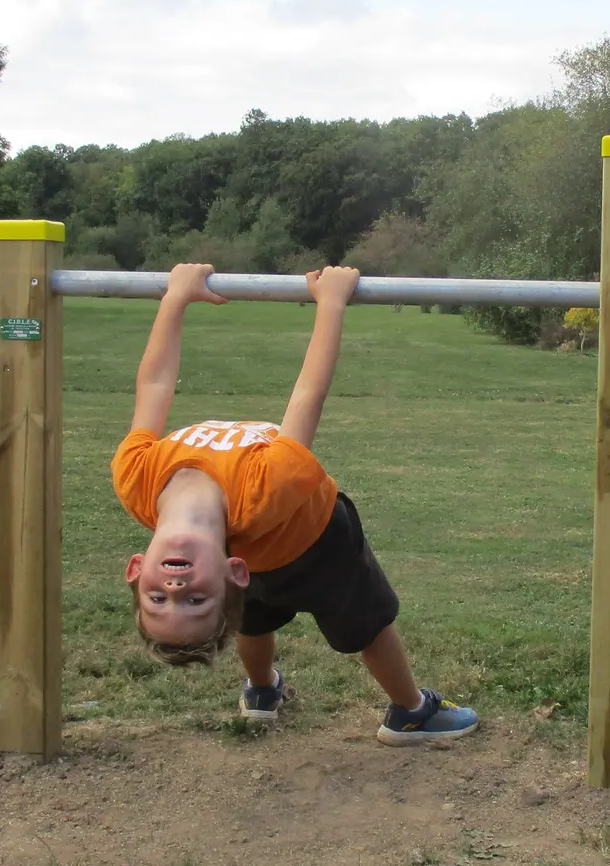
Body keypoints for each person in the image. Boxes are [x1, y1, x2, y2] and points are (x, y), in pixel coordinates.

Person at [111, 263, 479, 745]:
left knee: (255, 620)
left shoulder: (136, 477)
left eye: (159, 598)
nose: (176, 586)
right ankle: (411, 712)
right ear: (233, 574)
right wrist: (330, 302)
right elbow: (308, 394)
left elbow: (154, 386)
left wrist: (175, 298)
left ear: (137, 569)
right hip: (321, 544)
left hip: (271, 551)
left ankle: (263, 692)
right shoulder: (267, 485)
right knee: (366, 626)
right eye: (195, 599)